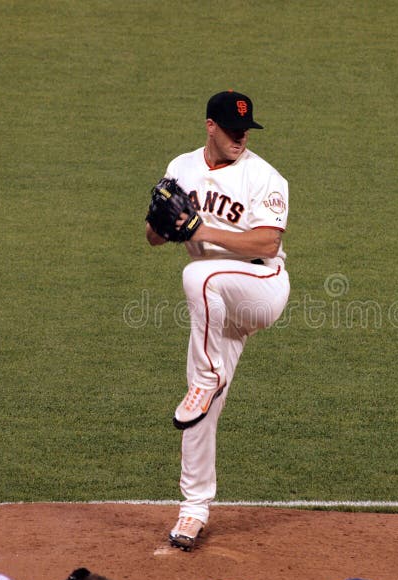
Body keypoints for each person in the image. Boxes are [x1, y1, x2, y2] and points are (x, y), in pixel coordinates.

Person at [145, 89, 291, 551]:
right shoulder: (181, 167)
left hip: (260, 289)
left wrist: (199, 229)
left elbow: (266, 244)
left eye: (245, 129)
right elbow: (153, 237)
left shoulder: (266, 177)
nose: (240, 137)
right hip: (217, 310)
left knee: (198, 274)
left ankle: (208, 377)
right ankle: (193, 511)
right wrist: (161, 222)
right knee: (199, 412)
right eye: (231, 129)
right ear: (210, 126)